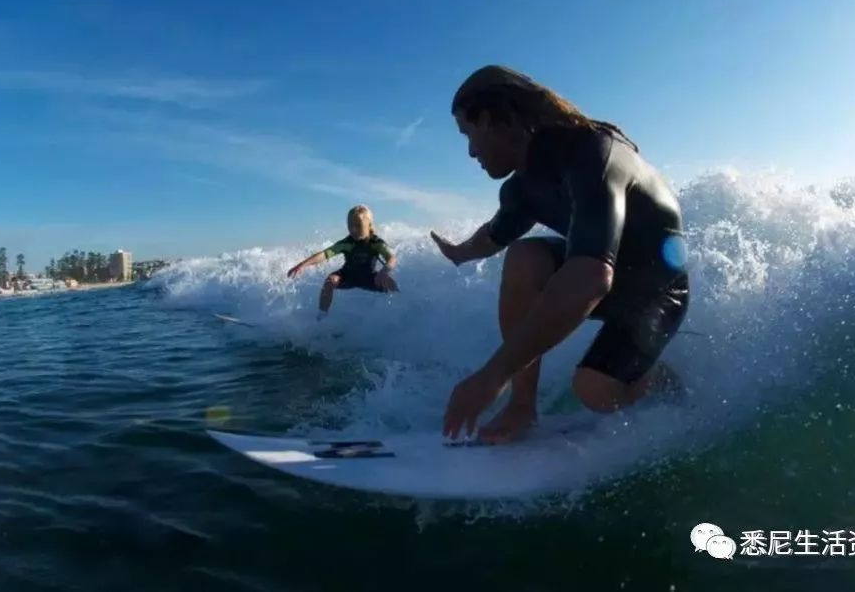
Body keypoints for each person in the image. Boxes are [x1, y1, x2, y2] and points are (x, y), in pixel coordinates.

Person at [431, 65, 690, 443]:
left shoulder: (594, 154)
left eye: (468, 134)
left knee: (595, 391)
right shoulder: (522, 188)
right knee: (524, 256)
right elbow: (493, 237)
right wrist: (458, 253)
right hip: (606, 279)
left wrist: (492, 375)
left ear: (490, 119)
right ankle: (522, 408)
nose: (471, 151)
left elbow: (591, 277)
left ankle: (655, 378)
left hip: (657, 290)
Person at [287, 204, 399, 318]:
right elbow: (325, 254)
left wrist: (385, 271)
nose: (353, 230)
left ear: (369, 225)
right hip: (347, 276)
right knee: (329, 282)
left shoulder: (376, 243)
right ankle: (321, 317)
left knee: (391, 284)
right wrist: (302, 265)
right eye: (350, 226)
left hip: (369, 277)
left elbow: (392, 259)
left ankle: (400, 310)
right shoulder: (347, 243)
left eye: (358, 226)